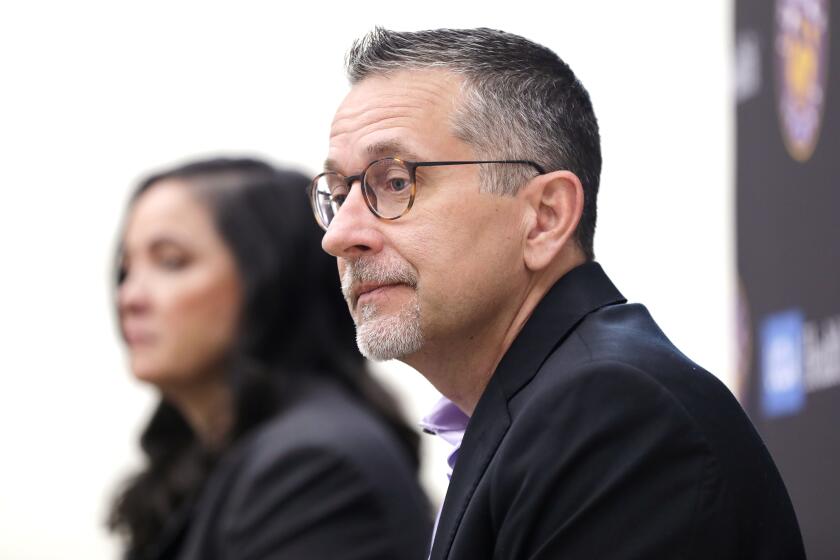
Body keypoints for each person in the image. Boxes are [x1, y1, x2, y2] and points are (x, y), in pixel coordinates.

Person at [310, 28, 806, 560]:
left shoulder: (612, 413)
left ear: (545, 218)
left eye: (395, 182)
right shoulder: (543, 407)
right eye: (338, 196)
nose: (338, 235)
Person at [109, 157, 431, 560]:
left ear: (270, 277)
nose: (130, 297)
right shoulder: (216, 457)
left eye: (171, 261)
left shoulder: (314, 467)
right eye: (126, 270)